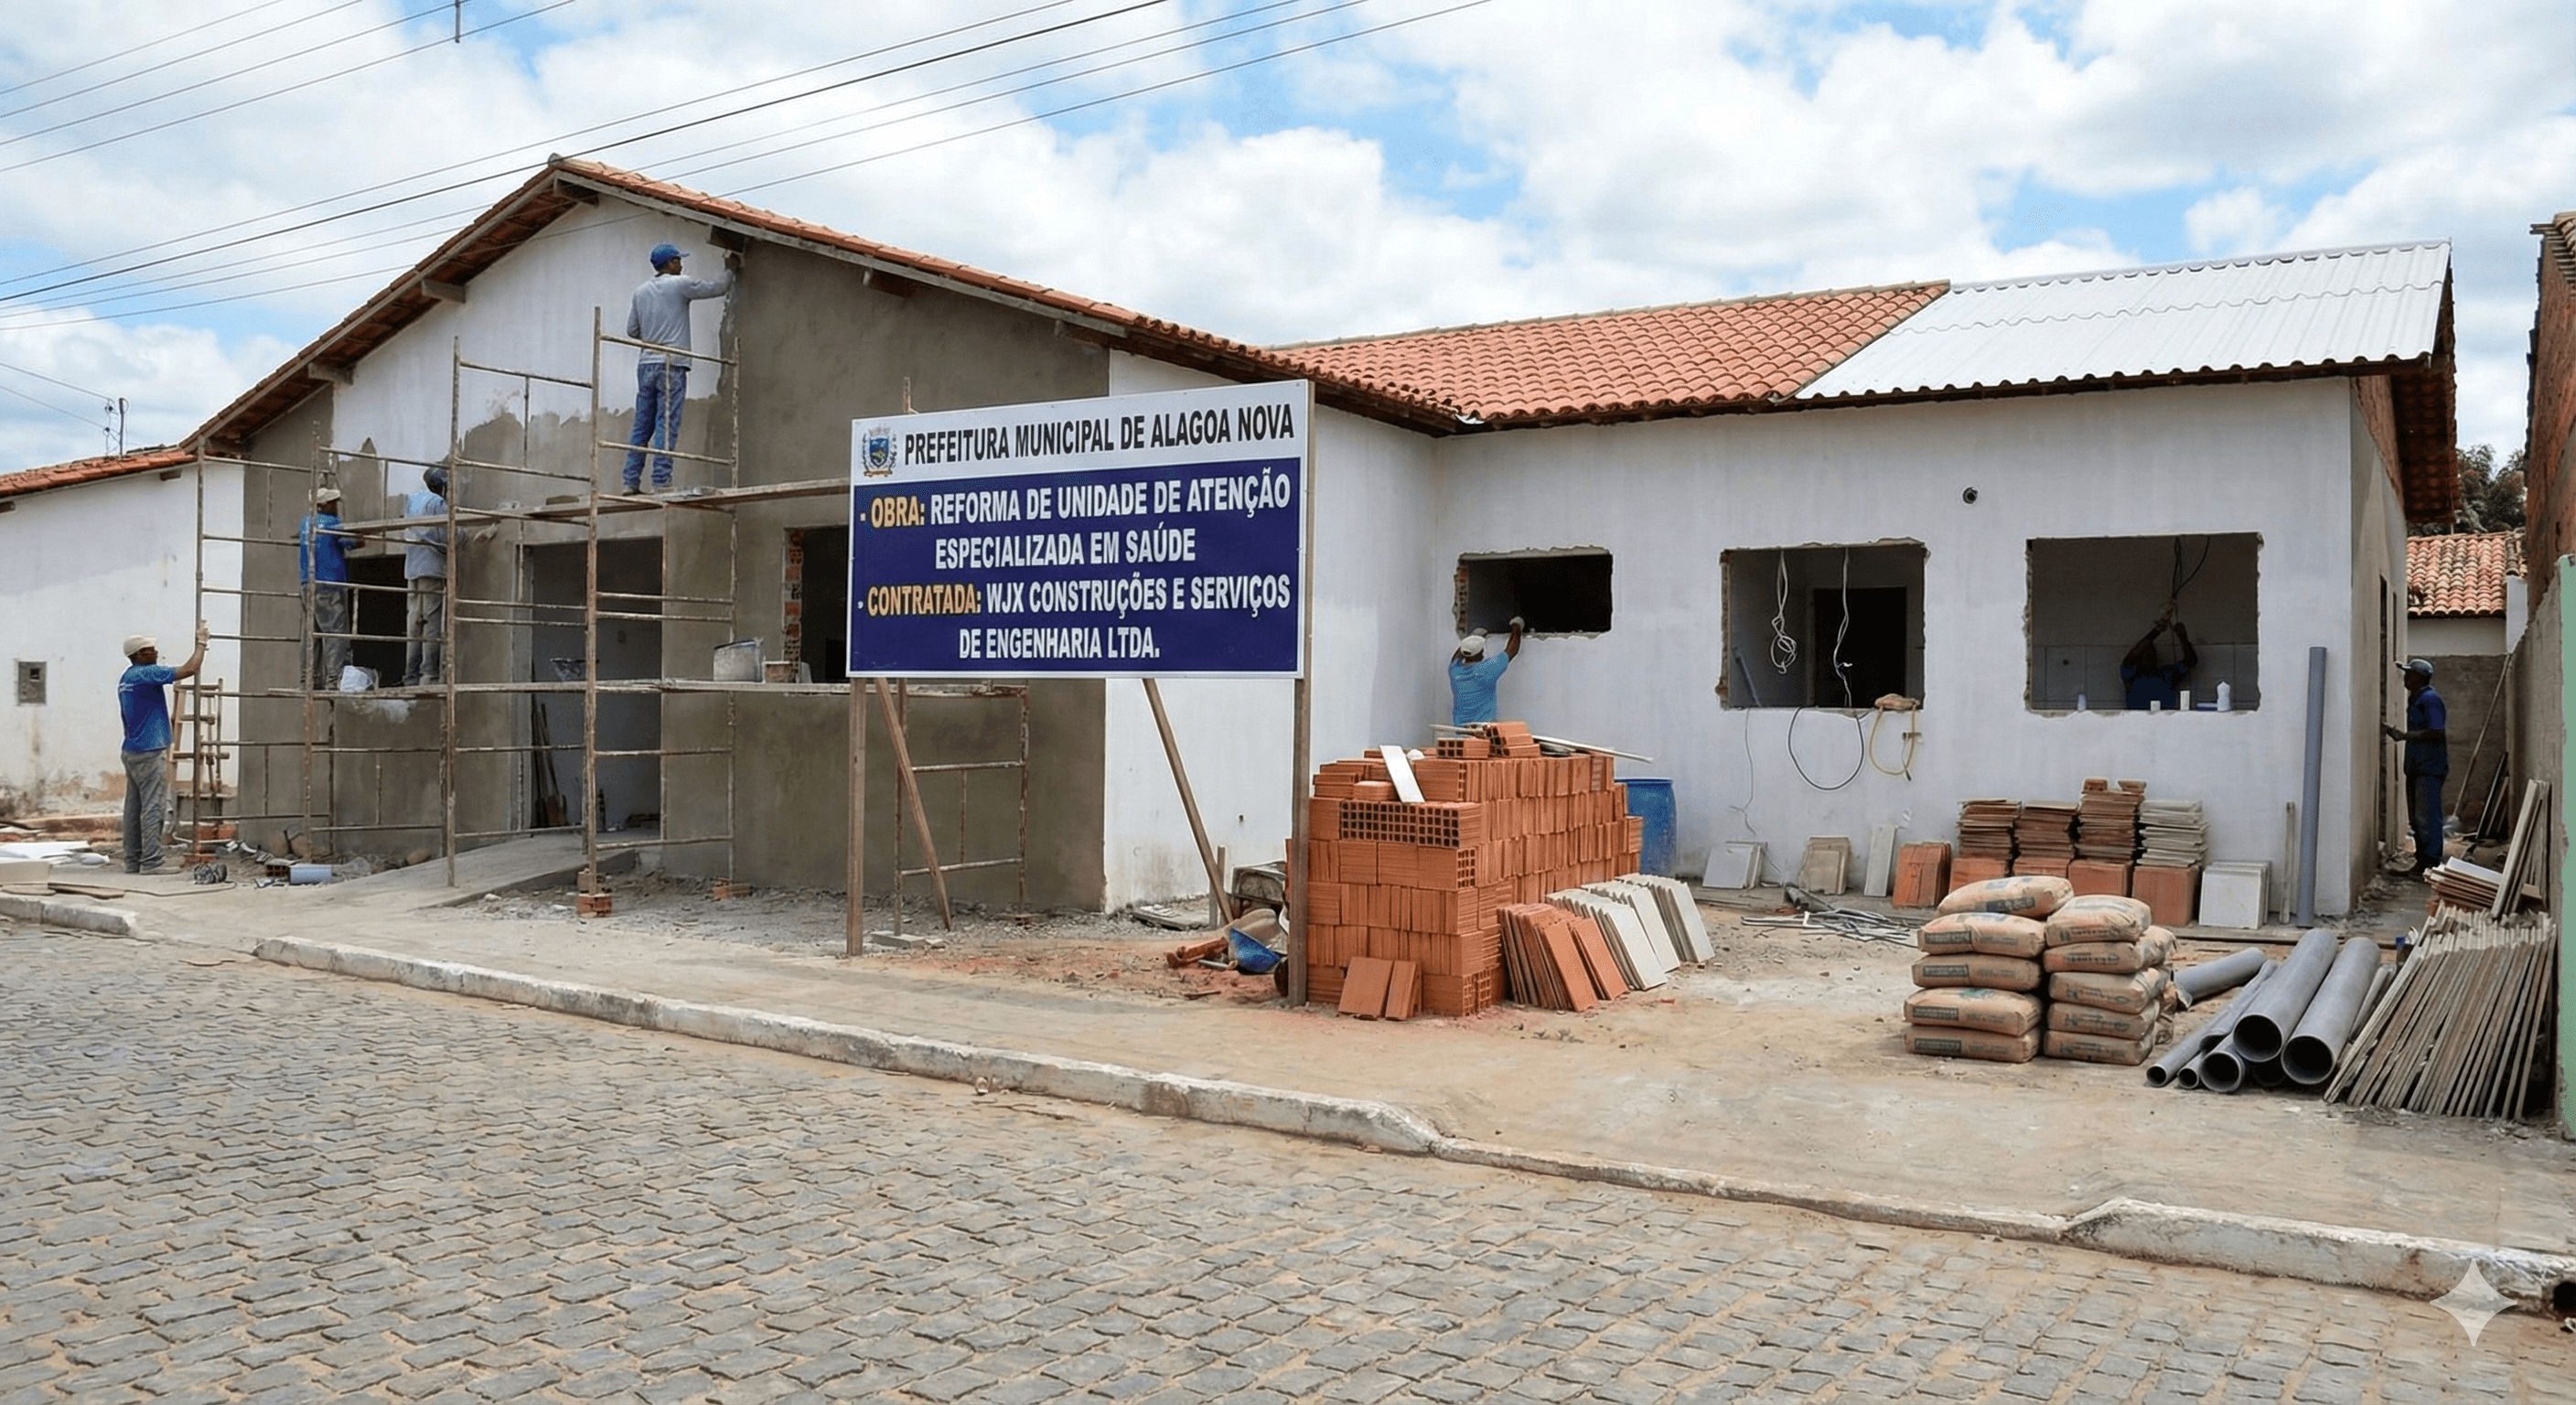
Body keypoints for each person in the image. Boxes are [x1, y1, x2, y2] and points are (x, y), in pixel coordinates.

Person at [624, 241, 735, 494]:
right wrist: (731, 269)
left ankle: (630, 481)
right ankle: (661, 481)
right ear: (671, 264)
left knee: (642, 425)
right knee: (667, 423)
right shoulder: (681, 284)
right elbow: (717, 288)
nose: (681, 265)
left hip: (646, 365)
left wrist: (653, 330)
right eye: (679, 261)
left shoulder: (640, 292)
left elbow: (631, 330)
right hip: (671, 364)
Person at [118, 624, 208, 874]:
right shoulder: (146, 673)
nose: (156, 652)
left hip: (132, 750)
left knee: (133, 809)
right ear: (139, 655)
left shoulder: (127, 678)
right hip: (149, 750)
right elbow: (190, 669)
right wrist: (202, 643)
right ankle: (152, 862)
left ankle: (133, 860)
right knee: (153, 807)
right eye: (150, 650)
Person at [2384, 658, 2448, 877]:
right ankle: (2422, 862)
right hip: (2417, 767)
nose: (2405, 677)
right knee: (2417, 818)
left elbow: (2437, 731)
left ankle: (2430, 863)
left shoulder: (2430, 700)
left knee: (2427, 817)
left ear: (2418, 677)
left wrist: (2405, 736)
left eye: (2409, 674)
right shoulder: (2418, 698)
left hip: (2429, 767)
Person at [299, 486, 352, 690]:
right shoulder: (332, 523)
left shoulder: (305, 522)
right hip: (329, 585)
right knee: (334, 633)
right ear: (325, 505)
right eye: (333, 503)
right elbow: (353, 542)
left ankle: (308, 681)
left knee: (311, 634)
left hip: (308, 584)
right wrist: (365, 535)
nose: (336, 506)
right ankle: (334, 681)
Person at [403, 467, 449, 687]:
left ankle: (410, 676)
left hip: (412, 568)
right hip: (432, 569)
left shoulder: (413, 500)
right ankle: (429, 676)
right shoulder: (438, 503)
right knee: (431, 623)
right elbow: (444, 535)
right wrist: (464, 535)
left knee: (414, 623)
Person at [1448, 616, 1525, 727]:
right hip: (1482, 732)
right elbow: (1511, 651)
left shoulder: (1455, 671)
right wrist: (1517, 626)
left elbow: (1457, 657)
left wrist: (1472, 639)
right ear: (1478, 654)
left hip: (1461, 732)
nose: (1483, 652)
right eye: (1481, 650)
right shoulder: (1486, 670)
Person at [2120, 604, 2197, 710]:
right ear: (2139, 657)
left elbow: (2191, 661)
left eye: (2152, 653)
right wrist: (2158, 630)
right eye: (2145, 653)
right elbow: (2131, 657)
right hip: (2137, 720)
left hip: (2166, 719)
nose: (2149, 655)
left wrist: (2183, 638)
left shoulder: (2167, 674)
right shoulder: (2131, 675)